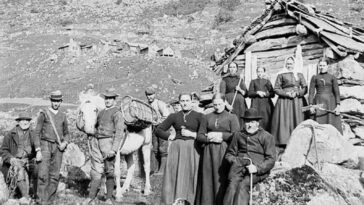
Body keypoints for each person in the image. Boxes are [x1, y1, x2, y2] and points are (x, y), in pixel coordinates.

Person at [155, 93, 205, 205]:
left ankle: (191, 200)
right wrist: (169, 136)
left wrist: (193, 134)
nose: (185, 103)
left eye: (187, 100)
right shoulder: (174, 116)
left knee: (192, 173)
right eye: (182, 101)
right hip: (176, 149)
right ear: (179, 102)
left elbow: (203, 133)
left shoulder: (199, 116)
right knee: (175, 174)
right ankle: (174, 200)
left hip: (193, 148)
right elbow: (159, 130)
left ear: (192, 102)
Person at [223, 108, 276, 205]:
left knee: (243, 186)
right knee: (232, 185)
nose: (249, 125)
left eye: (252, 122)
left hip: (256, 170)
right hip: (239, 168)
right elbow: (229, 154)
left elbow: (271, 159)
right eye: (247, 122)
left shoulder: (266, 136)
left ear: (257, 123)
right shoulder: (238, 135)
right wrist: (235, 161)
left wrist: (257, 168)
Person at [195, 93, 240, 205]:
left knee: (221, 178)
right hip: (208, 152)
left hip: (224, 151)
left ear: (225, 103)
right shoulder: (206, 117)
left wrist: (221, 135)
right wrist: (209, 138)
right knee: (208, 177)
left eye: (220, 104)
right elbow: (200, 135)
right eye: (215, 104)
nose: (217, 106)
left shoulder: (232, 117)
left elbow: (237, 135)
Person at [84, 88, 126, 205]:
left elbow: (119, 133)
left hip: (109, 143)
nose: (107, 100)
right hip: (97, 143)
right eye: (106, 98)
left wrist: (114, 149)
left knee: (109, 171)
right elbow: (95, 126)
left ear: (114, 100)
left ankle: (108, 198)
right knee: (96, 170)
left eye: (110, 98)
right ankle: (91, 196)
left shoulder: (117, 113)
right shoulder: (101, 112)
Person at [34, 90, 70, 204]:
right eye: (54, 101)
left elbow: (67, 133)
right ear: (51, 101)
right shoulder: (43, 114)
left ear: (61, 102)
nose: (55, 103)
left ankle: (49, 200)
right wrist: (38, 150)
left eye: (58, 101)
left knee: (54, 175)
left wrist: (65, 143)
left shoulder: (63, 116)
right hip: (45, 145)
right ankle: (41, 200)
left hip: (58, 147)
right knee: (43, 174)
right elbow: (36, 133)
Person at [0, 113, 41, 203]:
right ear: (18, 121)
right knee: (19, 172)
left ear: (30, 122)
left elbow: (39, 145)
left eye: (27, 120)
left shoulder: (34, 133)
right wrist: (11, 159)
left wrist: (38, 152)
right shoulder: (10, 134)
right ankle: (26, 198)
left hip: (30, 159)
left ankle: (36, 195)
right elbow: (3, 150)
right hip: (16, 159)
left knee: (38, 169)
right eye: (22, 120)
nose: (25, 122)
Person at [271, 56, 307, 152]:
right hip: (284, 101)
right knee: (285, 119)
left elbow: (304, 87)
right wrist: (286, 93)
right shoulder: (281, 74)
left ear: (294, 64)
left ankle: (298, 140)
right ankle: (284, 141)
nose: (289, 65)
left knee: (297, 118)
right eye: (288, 64)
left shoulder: (299, 74)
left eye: (291, 63)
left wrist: (298, 93)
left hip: (297, 100)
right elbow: (276, 88)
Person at [308, 58, 343, 134]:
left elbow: (337, 92)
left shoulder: (332, 77)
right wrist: (311, 105)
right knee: (319, 124)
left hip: (330, 103)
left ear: (327, 66)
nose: (322, 67)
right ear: (318, 66)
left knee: (331, 123)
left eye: (324, 65)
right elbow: (311, 92)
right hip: (318, 102)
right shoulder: (315, 77)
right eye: (320, 65)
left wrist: (338, 105)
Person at [145, 86, 170, 175]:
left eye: (151, 95)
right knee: (155, 149)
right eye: (148, 95)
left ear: (154, 95)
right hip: (153, 129)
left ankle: (162, 170)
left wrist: (158, 122)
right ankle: (155, 169)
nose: (149, 97)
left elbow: (167, 116)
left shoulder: (160, 103)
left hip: (163, 128)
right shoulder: (146, 105)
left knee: (162, 149)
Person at [220, 62, 248, 126]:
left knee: (240, 121)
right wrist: (227, 105)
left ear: (236, 69)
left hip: (240, 105)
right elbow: (222, 95)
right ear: (228, 69)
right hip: (229, 103)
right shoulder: (224, 79)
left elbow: (246, 94)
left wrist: (240, 90)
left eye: (234, 67)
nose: (232, 69)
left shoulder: (240, 79)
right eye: (230, 67)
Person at [248, 67, 275, 132]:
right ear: (256, 72)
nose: (260, 73)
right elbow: (250, 93)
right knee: (256, 118)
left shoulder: (267, 81)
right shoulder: (253, 81)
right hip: (256, 103)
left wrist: (265, 94)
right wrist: (257, 92)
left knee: (266, 119)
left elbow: (272, 94)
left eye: (261, 72)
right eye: (258, 72)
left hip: (266, 103)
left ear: (264, 72)